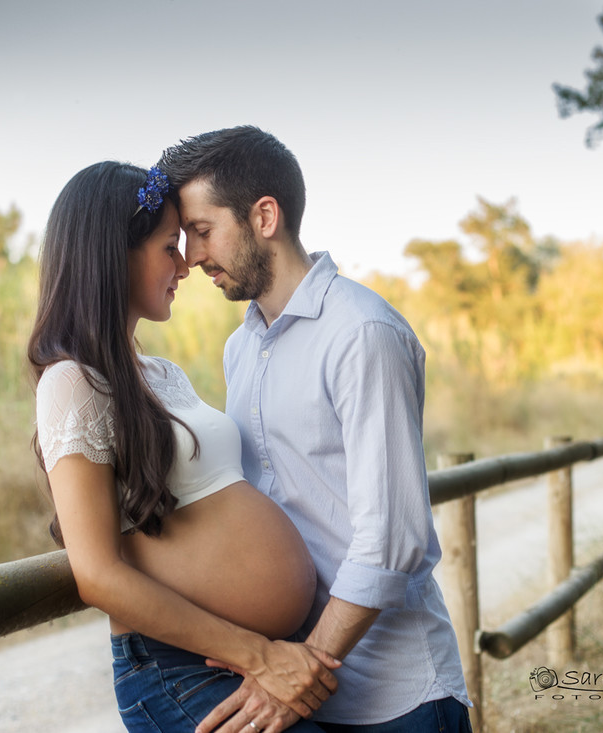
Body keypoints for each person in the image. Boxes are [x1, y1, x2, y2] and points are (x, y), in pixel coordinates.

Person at [158, 126, 472, 733]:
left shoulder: (362, 333)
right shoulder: (240, 348)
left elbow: (393, 537)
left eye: (202, 231)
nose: (192, 258)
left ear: (265, 216)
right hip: (297, 688)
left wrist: (305, 669)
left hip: (395, 698)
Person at [27, 161, 340, 733]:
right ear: (111, 253)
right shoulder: (72, 383)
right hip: (184, 667)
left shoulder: (161, 373)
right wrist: (260, 654)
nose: (185, 265)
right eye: (169, 247)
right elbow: (96, 573)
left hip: (244, 652)